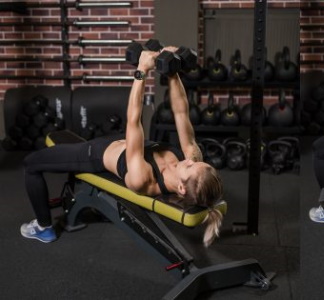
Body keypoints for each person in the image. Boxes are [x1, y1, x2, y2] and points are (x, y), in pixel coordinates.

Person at [20, 47, 224, 247]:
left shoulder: (143, 179)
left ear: (181, 187)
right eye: (195, 163)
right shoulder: (193, 160)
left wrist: (141, 71)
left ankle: (43, 227)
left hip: (94, 154)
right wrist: (172, 70)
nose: (190, 160)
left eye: (189, 166)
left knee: (31, 164)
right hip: (123, 141)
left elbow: (134, 121)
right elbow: (181, 112)